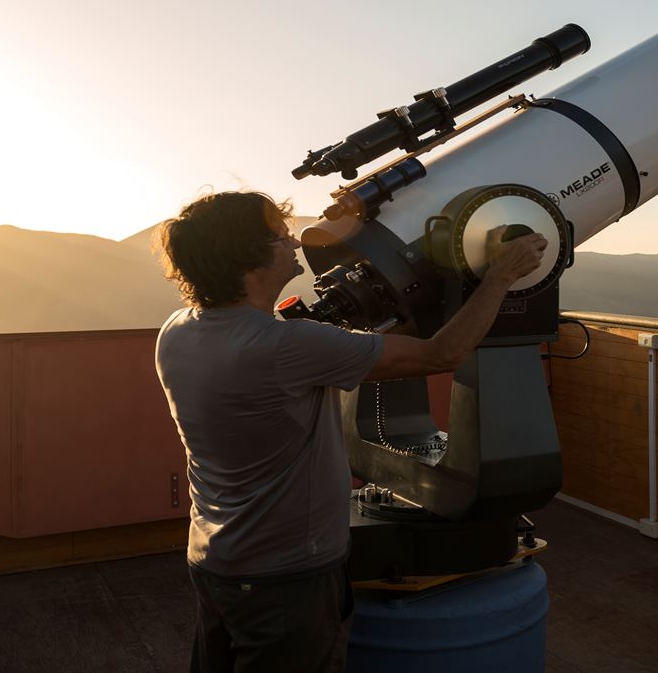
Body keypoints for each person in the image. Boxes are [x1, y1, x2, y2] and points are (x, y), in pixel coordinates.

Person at [153, 190, 546, 672]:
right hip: (288, 576)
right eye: (280, 236)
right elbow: (442, 354)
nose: (294, 241)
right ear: (248, 257)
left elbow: (317, 355)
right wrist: (501, 277)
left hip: (215, 559)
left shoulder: (177, 330)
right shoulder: (287, 347)